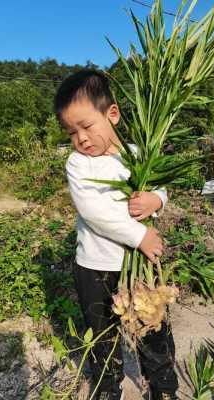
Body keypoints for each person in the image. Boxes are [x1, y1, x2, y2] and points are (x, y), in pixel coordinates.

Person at [54, 70, 178, 400]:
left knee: (154, 329)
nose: (80, 138)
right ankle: (109, 388)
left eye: (86, 126)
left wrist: (158, 199)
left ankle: (164, 388)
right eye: (71, 132)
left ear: (112, 114)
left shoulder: (138, 155)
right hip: (94, 268)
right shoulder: (78, 164)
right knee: (102, 336)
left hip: (140, 268)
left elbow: (160, 184)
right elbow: (93, 212)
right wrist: (139, 236)